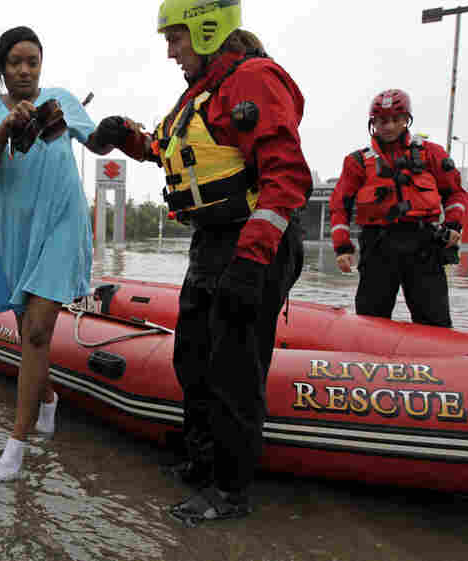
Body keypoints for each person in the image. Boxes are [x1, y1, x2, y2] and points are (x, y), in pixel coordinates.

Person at [93, 0, 311, 523]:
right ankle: (203, 460)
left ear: (207, 29)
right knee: (193, 358)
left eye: (176, 39)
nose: (170, 51)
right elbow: (164, 147)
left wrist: (252, 261)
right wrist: (122, 134)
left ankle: (230, 491)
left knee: (234, 368)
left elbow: (286, 177)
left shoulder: (252, 80)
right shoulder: (200, 94)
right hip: (212, 241)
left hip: (253, 240)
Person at [0, 26, 112, 481]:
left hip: (63, 222)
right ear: (1, 69)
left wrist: (119, 133)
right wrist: (8, 126)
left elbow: (97, 142)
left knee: (38, 331)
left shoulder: (61, 99)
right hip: (17, 231)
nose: (25, 70)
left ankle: (16, 442)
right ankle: (47, 398)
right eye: (15, 63)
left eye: (32, 62)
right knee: (29, 328)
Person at [329, 89, 468, 327]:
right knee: (370, 319)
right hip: (378, 247)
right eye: (382, 120)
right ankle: (368, 358)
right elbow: (340, 206)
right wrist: (342, 247)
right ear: (373, 123)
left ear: (407, 120)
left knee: (434, 319)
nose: (389, 126)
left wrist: (454, 223)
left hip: (424, 245)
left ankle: (441, 360)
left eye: (396, 119)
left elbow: (455, 192)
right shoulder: (357, 162)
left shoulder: (431, 153)